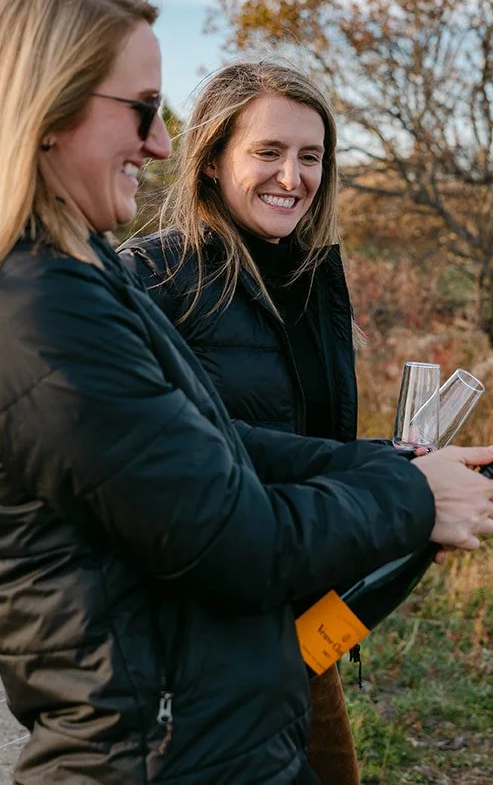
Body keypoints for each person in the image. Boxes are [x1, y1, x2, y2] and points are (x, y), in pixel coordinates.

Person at [0, 0, 493, 785]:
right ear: (46, 111)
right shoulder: (35, 311)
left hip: (210, 715)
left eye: (312, 156)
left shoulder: (74, 277)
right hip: (156, 744)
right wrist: (414, 499)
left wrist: (386, 465)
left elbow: (217, 447)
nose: (160, 142)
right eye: (145, 111)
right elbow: (230, 537)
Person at [117, 61, 365, 784]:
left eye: (311, 156)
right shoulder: (152, 277)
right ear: (213, 157)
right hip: (200, 645)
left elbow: (311, 443)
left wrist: (406, 482)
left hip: (299, 619)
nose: (293, 176)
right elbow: (183, 459)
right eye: (269, 151)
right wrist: (386, 481)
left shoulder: (310, 278)